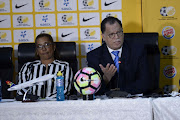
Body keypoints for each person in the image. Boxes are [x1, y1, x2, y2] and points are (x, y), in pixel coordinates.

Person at [87, 17, 151, 95]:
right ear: (103, 37)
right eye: (111, 34)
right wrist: (106, 78)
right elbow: (91, 90)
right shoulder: (93, 56)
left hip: (132, 100)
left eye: (119, 32)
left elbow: (145, 83)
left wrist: (120, 92)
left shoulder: (138, 51)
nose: (117, 37)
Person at [17, 33, 73, 99]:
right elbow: (21, 90)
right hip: (31, 105)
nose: (43, 49)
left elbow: (64, 90)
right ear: (37, 51)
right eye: (39, 46)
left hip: (56, 105)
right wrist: (35, 100)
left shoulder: (64, 66)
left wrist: (45, 101)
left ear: (54, 47)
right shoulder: (28, 67)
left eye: (47, 44)